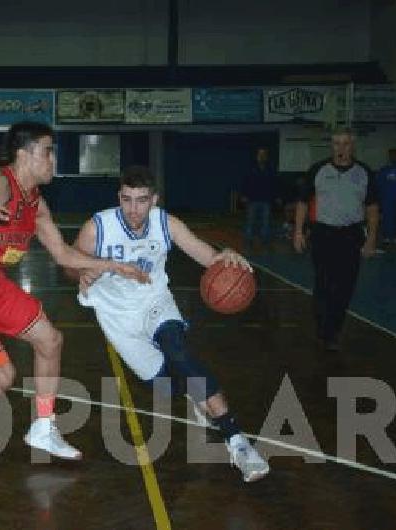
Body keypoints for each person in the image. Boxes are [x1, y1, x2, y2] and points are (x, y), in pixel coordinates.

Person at [0, 121, 148, 460]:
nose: (53, 160)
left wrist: (114, 266)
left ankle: (44, 427)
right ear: (24, 154)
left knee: (50, 339)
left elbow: (63, 254)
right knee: (3, 378)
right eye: (48, 151)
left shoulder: (36, 207)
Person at [66, 165, 270, 483]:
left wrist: (226, 255)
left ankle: (237, 441)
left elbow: (205, 255)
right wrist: (82, 272)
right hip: (116, 316)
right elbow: (69, 262)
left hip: (154, 301)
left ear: (155, 199)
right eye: (126, 199)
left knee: (178, 352)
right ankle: (193, 393)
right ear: (118, 197)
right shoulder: (98, 227)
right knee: (162, 385)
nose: (133, 209)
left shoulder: (166, 223)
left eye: (142, 200)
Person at [294, 129, 379, 351]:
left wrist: (371, 239)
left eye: (346, 144)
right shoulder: (318, 171)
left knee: (345, 286)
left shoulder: (364, 173)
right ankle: (324, 329)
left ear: (353, 146)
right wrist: (298, 232)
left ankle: (333, 330)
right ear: (331, 146)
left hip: (351, 236)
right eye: (336, 144)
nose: (341, 148)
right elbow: (303, 202)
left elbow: (372, 209)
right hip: (323, 235)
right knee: (323, 283)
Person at [239, 147, 278, 248]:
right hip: (252, 199)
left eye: (264, 154)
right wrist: (244, 195)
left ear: (266, 156)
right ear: (256, 156)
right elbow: (245, 182)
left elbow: (273, 184)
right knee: (250, 221)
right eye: (260, 154)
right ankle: (247, 241)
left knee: (266, 221)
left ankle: (265, 240)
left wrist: (276, 196)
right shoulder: (250, 168)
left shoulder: (270, 168)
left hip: (266, 199)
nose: (261, 156)